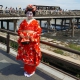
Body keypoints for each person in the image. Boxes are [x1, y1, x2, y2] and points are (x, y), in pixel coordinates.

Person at [16, 4, 42, 77]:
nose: (29, 15)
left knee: (31, 57)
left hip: (32, 43)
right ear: (26, 13)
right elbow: (19, 30)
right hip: (25, 42)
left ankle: (31, 70)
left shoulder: (36, 22)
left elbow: (38, 32)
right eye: (28, 13)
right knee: (26, 56)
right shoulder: (23, 21)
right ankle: (27, 69)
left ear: (33, 14)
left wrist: (30, 36)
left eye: (31, 13)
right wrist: (21, 34)